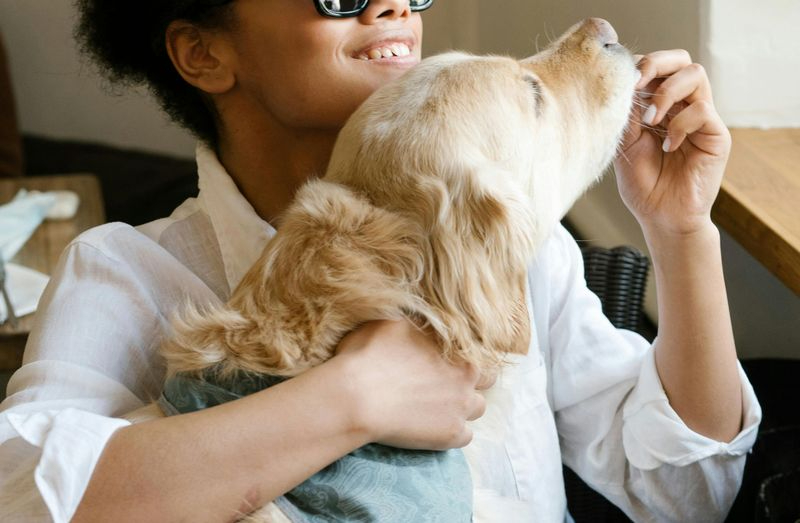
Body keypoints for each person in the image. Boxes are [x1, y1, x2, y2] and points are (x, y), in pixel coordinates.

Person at [0, 1, 760, 522]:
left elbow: (688, 498)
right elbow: (23, 495)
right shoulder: (126, 273)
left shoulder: (512, 237)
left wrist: (681, 231)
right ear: (204, 52)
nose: (395, 6)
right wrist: (351, 396)